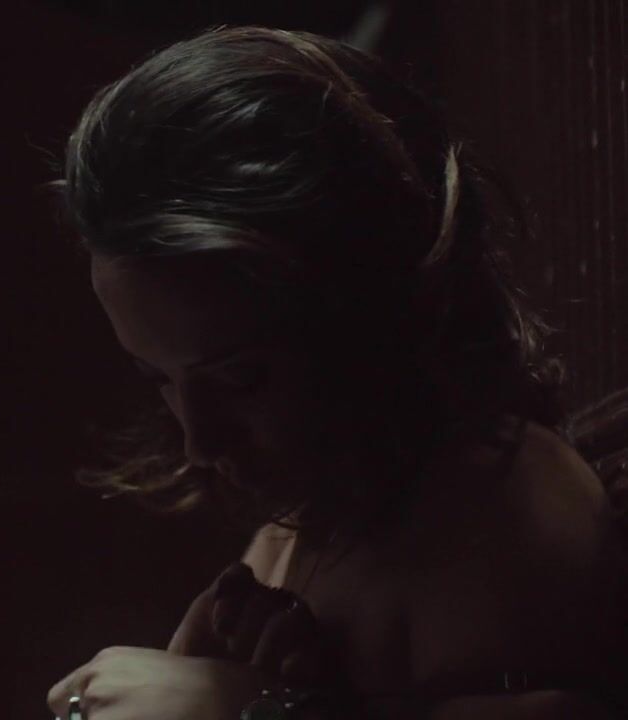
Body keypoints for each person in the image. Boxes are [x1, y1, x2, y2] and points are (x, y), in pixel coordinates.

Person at [43, 26, 628, 720]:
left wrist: (250, 708)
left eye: (242, 379)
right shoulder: (295, 536)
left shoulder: (501, 505)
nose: (199, 442)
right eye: (159, 379)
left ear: (370, 313)